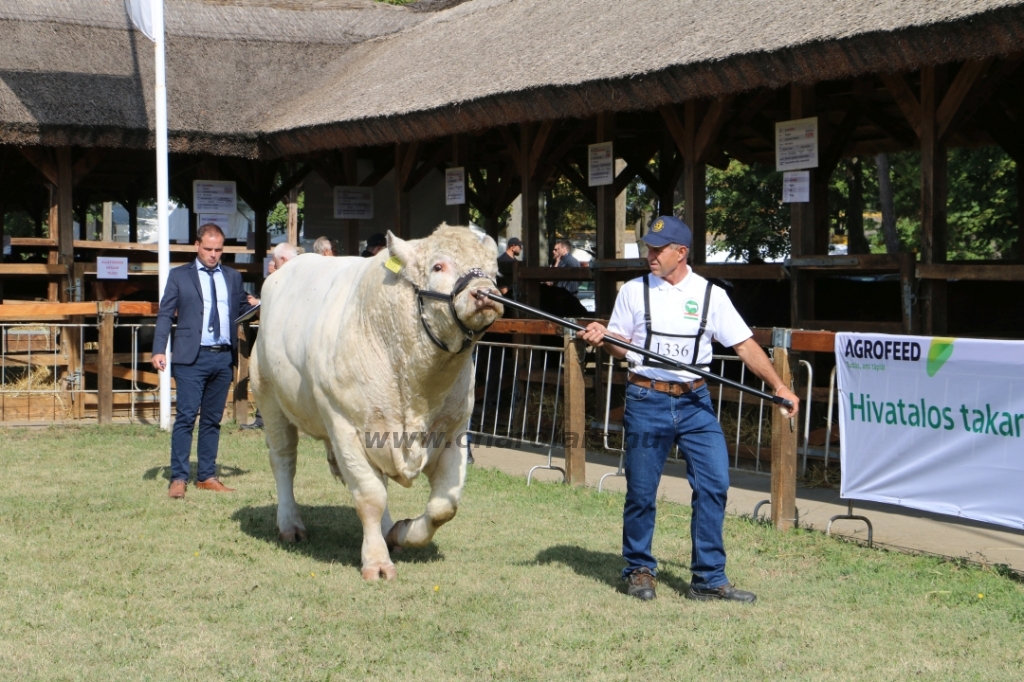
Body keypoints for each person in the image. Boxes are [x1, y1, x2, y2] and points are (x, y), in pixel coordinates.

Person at [578, 216, 799, 603]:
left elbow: (745, 346)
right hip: (646, 400)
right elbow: (622, 345)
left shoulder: (711, 295)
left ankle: (708, 579)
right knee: (642, 492)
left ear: (681, 252)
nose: (650, 255)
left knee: (714, 484)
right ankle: (639, 570)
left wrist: (781, 386)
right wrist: (604, 338)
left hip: (697, 403)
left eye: (658, 249)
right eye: (648, 247)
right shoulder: (633, 292)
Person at [152, 223, 256, 499]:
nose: (213, 254)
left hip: (223, 357)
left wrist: (256, 304)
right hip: (190, 357)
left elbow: (241, 307)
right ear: (197, 245)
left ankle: (207, 476)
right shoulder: (179, 276)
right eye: (208, 249)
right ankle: (178, 478)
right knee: (186, 417)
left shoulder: (233, 277)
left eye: (218, 250)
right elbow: (165, 314)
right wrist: (158, 349)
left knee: (212, 419)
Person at [240, 242, 299, 431]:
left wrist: (259, 303)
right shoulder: (296, 276)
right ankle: (264, 417)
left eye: (274, 261)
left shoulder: (293, 278)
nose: (272, 265)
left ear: (282, 259)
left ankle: (268, 418)